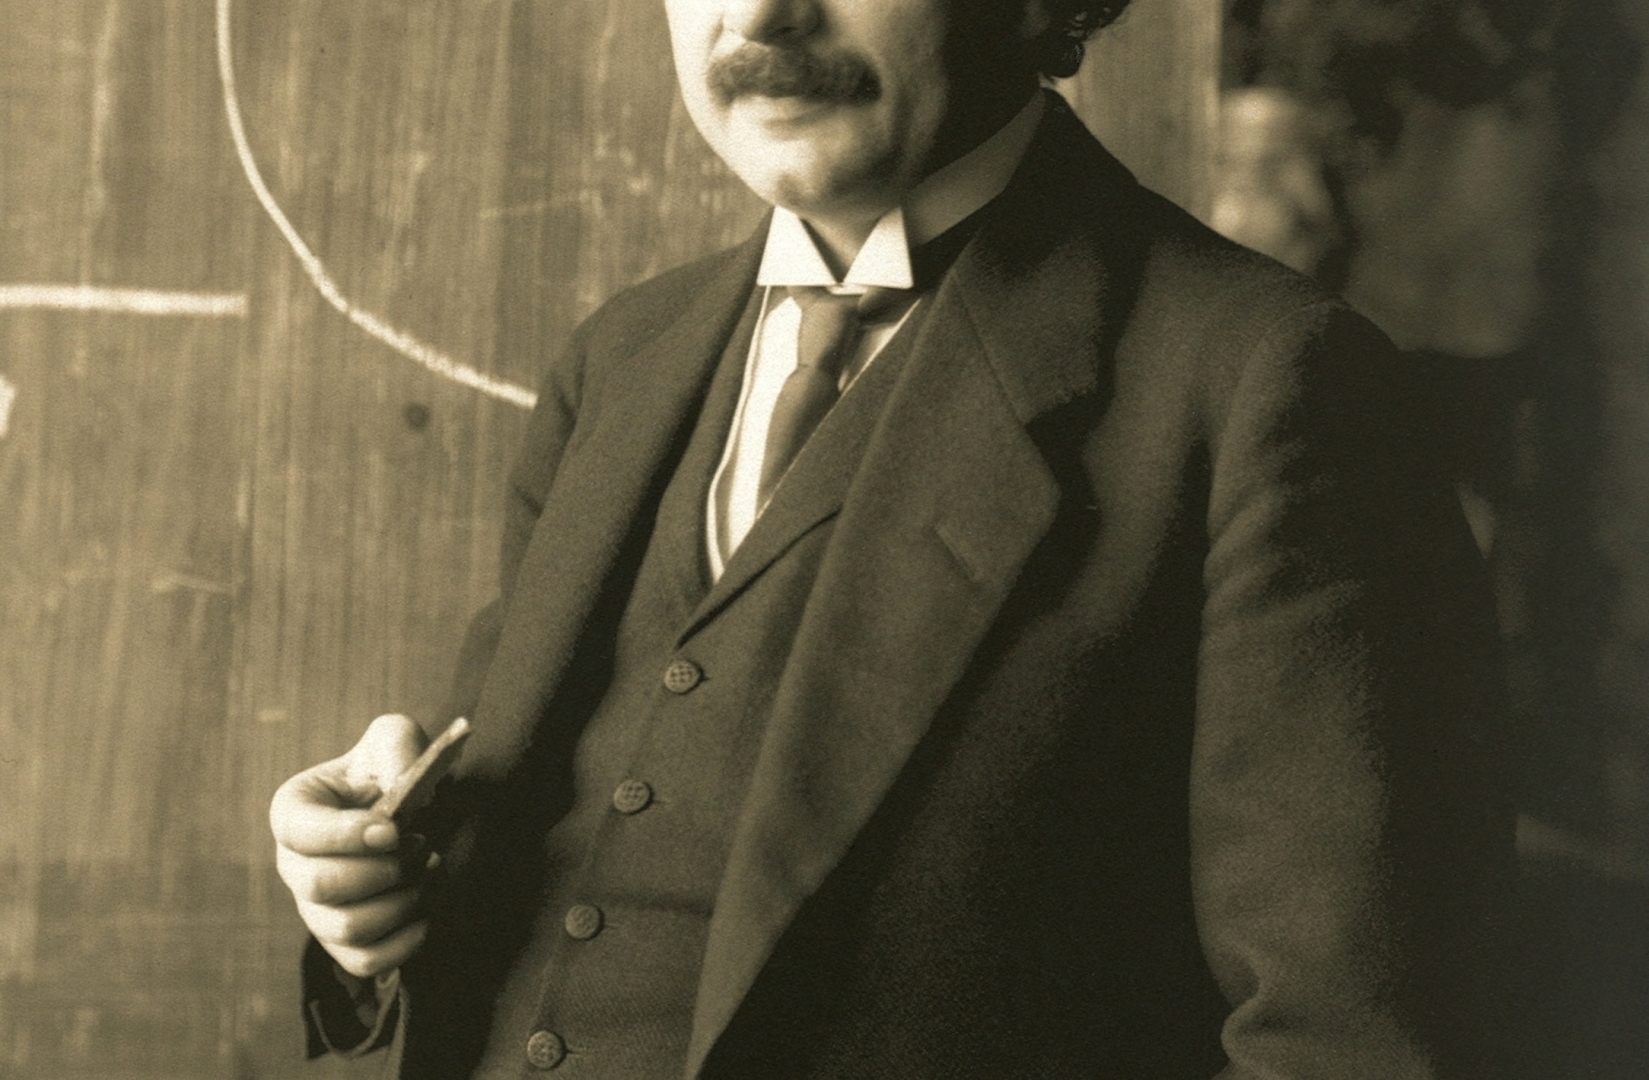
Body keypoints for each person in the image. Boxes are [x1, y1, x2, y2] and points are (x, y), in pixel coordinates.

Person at [270, 0, 1515, 1075]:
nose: (762, 16)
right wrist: (372, 894)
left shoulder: (1272, 383)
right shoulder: (622, 358)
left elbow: (1351, 1042)